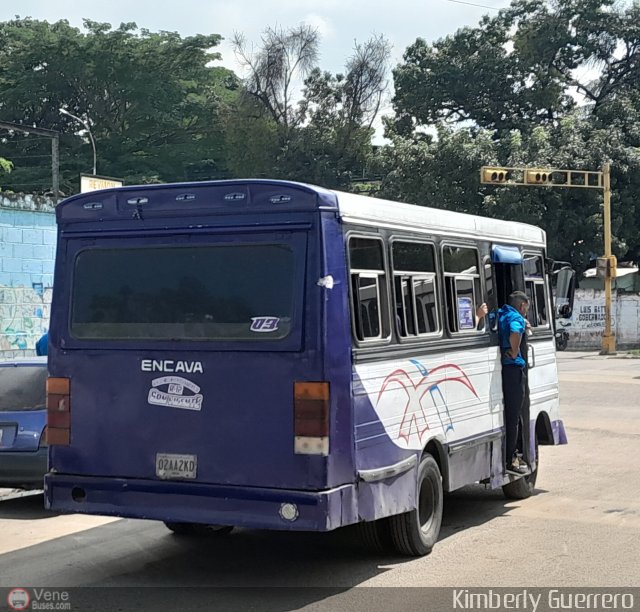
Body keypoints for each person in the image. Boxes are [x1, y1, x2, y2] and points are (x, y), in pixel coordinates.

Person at [498, 292, 530, 475]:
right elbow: (515, 330)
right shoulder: (516, 317)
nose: (526, 313)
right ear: (522, 305)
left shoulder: (500, 313)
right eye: (526, 308)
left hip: (503, 371)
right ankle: (512, 458)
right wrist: (514, 350)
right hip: (514, 371)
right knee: (514, 416)